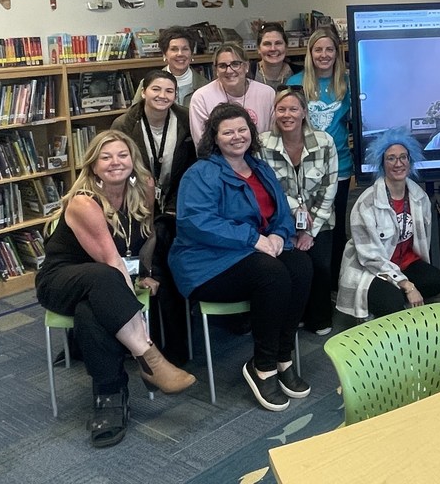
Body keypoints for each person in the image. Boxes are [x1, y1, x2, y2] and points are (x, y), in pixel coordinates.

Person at [35, 130, 196, 448]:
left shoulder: (145, 187)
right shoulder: (84, 202)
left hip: (99, 286)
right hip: (60, 281)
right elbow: (111, 260)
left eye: (122, 155)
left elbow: (147, 238)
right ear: (93, 166)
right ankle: (149, 358)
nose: (115, 162)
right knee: (102, 279)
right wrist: (127, 293)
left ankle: (109, 397)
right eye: (105, 157)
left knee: (91, 311)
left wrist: (146, 273)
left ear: (132, 160)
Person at [172, 104, 313, 412]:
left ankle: (282, 355)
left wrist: (278, 234)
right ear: (215, 137)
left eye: (242, 130)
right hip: (206, 264)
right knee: (272, 273)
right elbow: (195, 222)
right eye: (228, 132)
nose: (237, 137)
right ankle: (262, 367)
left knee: (301, 266)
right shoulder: (201, 173)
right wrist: (254, 239)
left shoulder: (259, 167)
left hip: (254, 253)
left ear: (251, 133)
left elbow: (281, 211)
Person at [112, 69, 196, 364]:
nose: (162, 96)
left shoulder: (186, 119)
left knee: (164, 253)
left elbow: (192, 167)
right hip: (135, 204)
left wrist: (171, 208)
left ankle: (164, 342)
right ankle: (164, 344)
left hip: (174, 206)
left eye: (169, 91)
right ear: (144, 91)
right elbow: (119, 168)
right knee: (150, 254)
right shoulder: (125, 123)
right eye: (156, 89)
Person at [336, 129, 440, 319]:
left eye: (403, 157)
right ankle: (390, 304)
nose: (398, 163)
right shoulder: (366, 202)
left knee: (436, 281)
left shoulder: (419, 197)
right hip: (371, 269)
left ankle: (393, 300)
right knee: (392, 301)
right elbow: (371, 258)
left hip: (405, 263)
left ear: (410, 162)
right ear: (382, 164)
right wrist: (407, 285)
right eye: (391, 158)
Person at [260, 86, 338, 335]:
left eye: (293, 108)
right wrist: (295, 213)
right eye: (281, 109)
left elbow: (330, 187)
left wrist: (309, 230)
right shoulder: (263, 144)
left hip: (321, 219)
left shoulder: (324, 141)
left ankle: (320, 317)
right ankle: (296, 315)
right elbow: (268, 188)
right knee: (293, 265)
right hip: (281, 221)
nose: (287, 114)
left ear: (304, 112)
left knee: (320, 264)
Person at [287, 27, 353, 290]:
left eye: (329, 49)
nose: (324, 55)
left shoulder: (348, 83)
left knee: (336, 227)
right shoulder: (296, 83)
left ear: (337, 53)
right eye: (318, 49)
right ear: (310, 53)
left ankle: (335, 285)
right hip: (305, 167)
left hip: (341, 166)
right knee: (307, 224)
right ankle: (309, 286)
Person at [189, 42, 275, 145]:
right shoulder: (201, 98)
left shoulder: (267, 94)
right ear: (216, 70)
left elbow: (272, 139)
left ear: (246, 66)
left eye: (235, 64)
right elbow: (203, 145)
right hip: (218, 160)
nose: (229, 70)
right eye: (222, 66)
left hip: (260, 157)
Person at [132, 26, 207, 107]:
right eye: (174, 49)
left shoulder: (205, 86)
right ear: (164, 54)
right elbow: (132, 115)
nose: (180, 54)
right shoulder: (147, 83)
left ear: (192, 54)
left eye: (185, 49)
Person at [252, 22, 295, 89]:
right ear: (258, 49)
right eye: (267, 44)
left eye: (278, 43)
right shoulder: (248, 74)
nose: (273, 48)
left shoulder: (300, 73)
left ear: (286, 47)